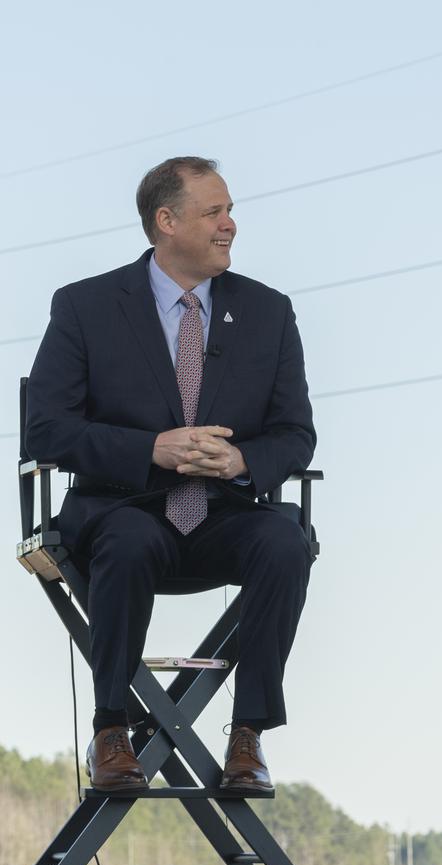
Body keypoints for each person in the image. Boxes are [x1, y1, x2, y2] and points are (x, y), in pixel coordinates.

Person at [25, 156, 316, 794]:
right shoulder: (85, 307)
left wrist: (244, 461)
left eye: (230, 211)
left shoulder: (269, 312)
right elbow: (45, 430)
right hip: (121, 514)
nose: (231, 225)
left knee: (285, 541)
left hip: (227, 516)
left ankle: (248, 737)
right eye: (214, 212)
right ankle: (111, 732)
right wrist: (150, 448)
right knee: (128, 541)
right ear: (166, 221)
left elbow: (296, 434)